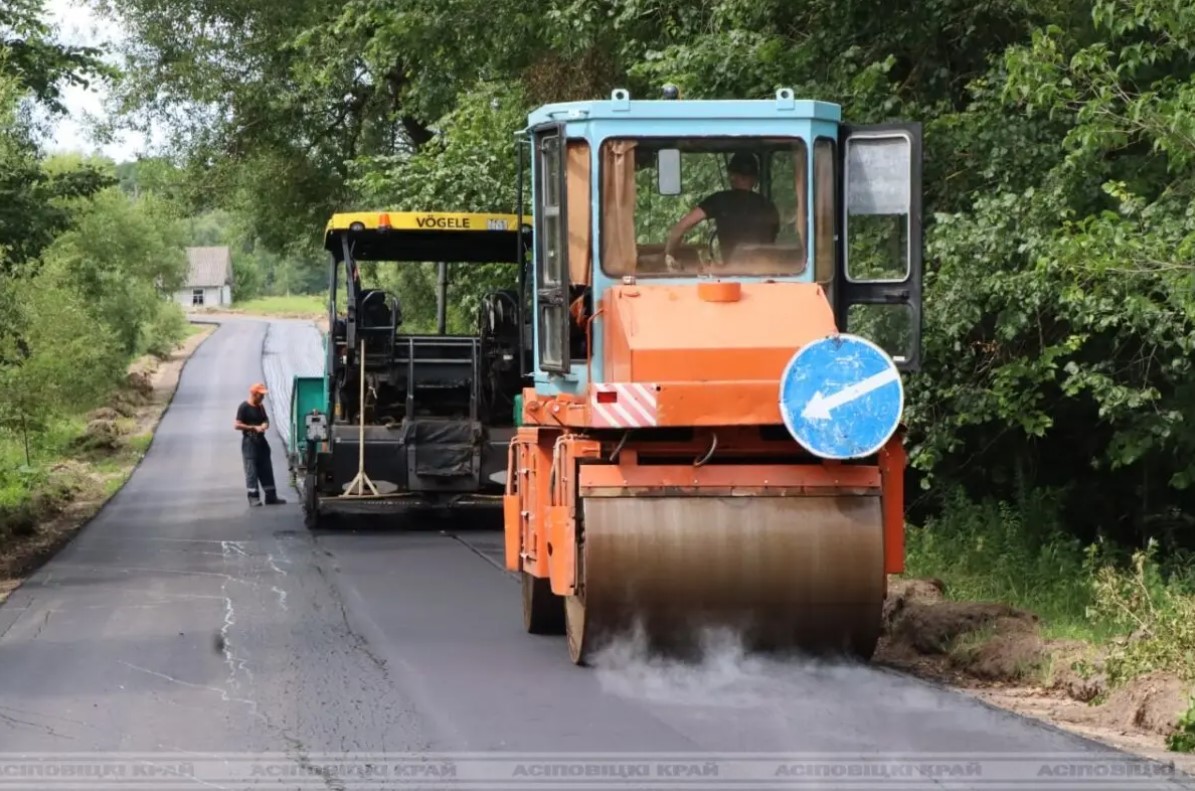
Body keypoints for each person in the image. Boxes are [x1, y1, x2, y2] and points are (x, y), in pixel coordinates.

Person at [664, 152, 780, 269]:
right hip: (767, 274)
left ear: (731, 176)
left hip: (734, 274)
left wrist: (669, 255)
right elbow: (772, 241)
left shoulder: (719, 200)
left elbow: (681, 227)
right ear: (755, 179)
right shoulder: (769, 206)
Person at [235, 383, 286, 507]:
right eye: (261, 394)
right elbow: (237, 425)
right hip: (249, 442)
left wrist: (265, 425)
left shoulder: (260, 407)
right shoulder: (244, 407)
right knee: (251, 470)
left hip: (261, 442)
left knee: (266, 468)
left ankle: (271, 496)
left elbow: (266, 420)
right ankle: (253, 497)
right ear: (254, 394)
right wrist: (253, 428)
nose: (263, 397)